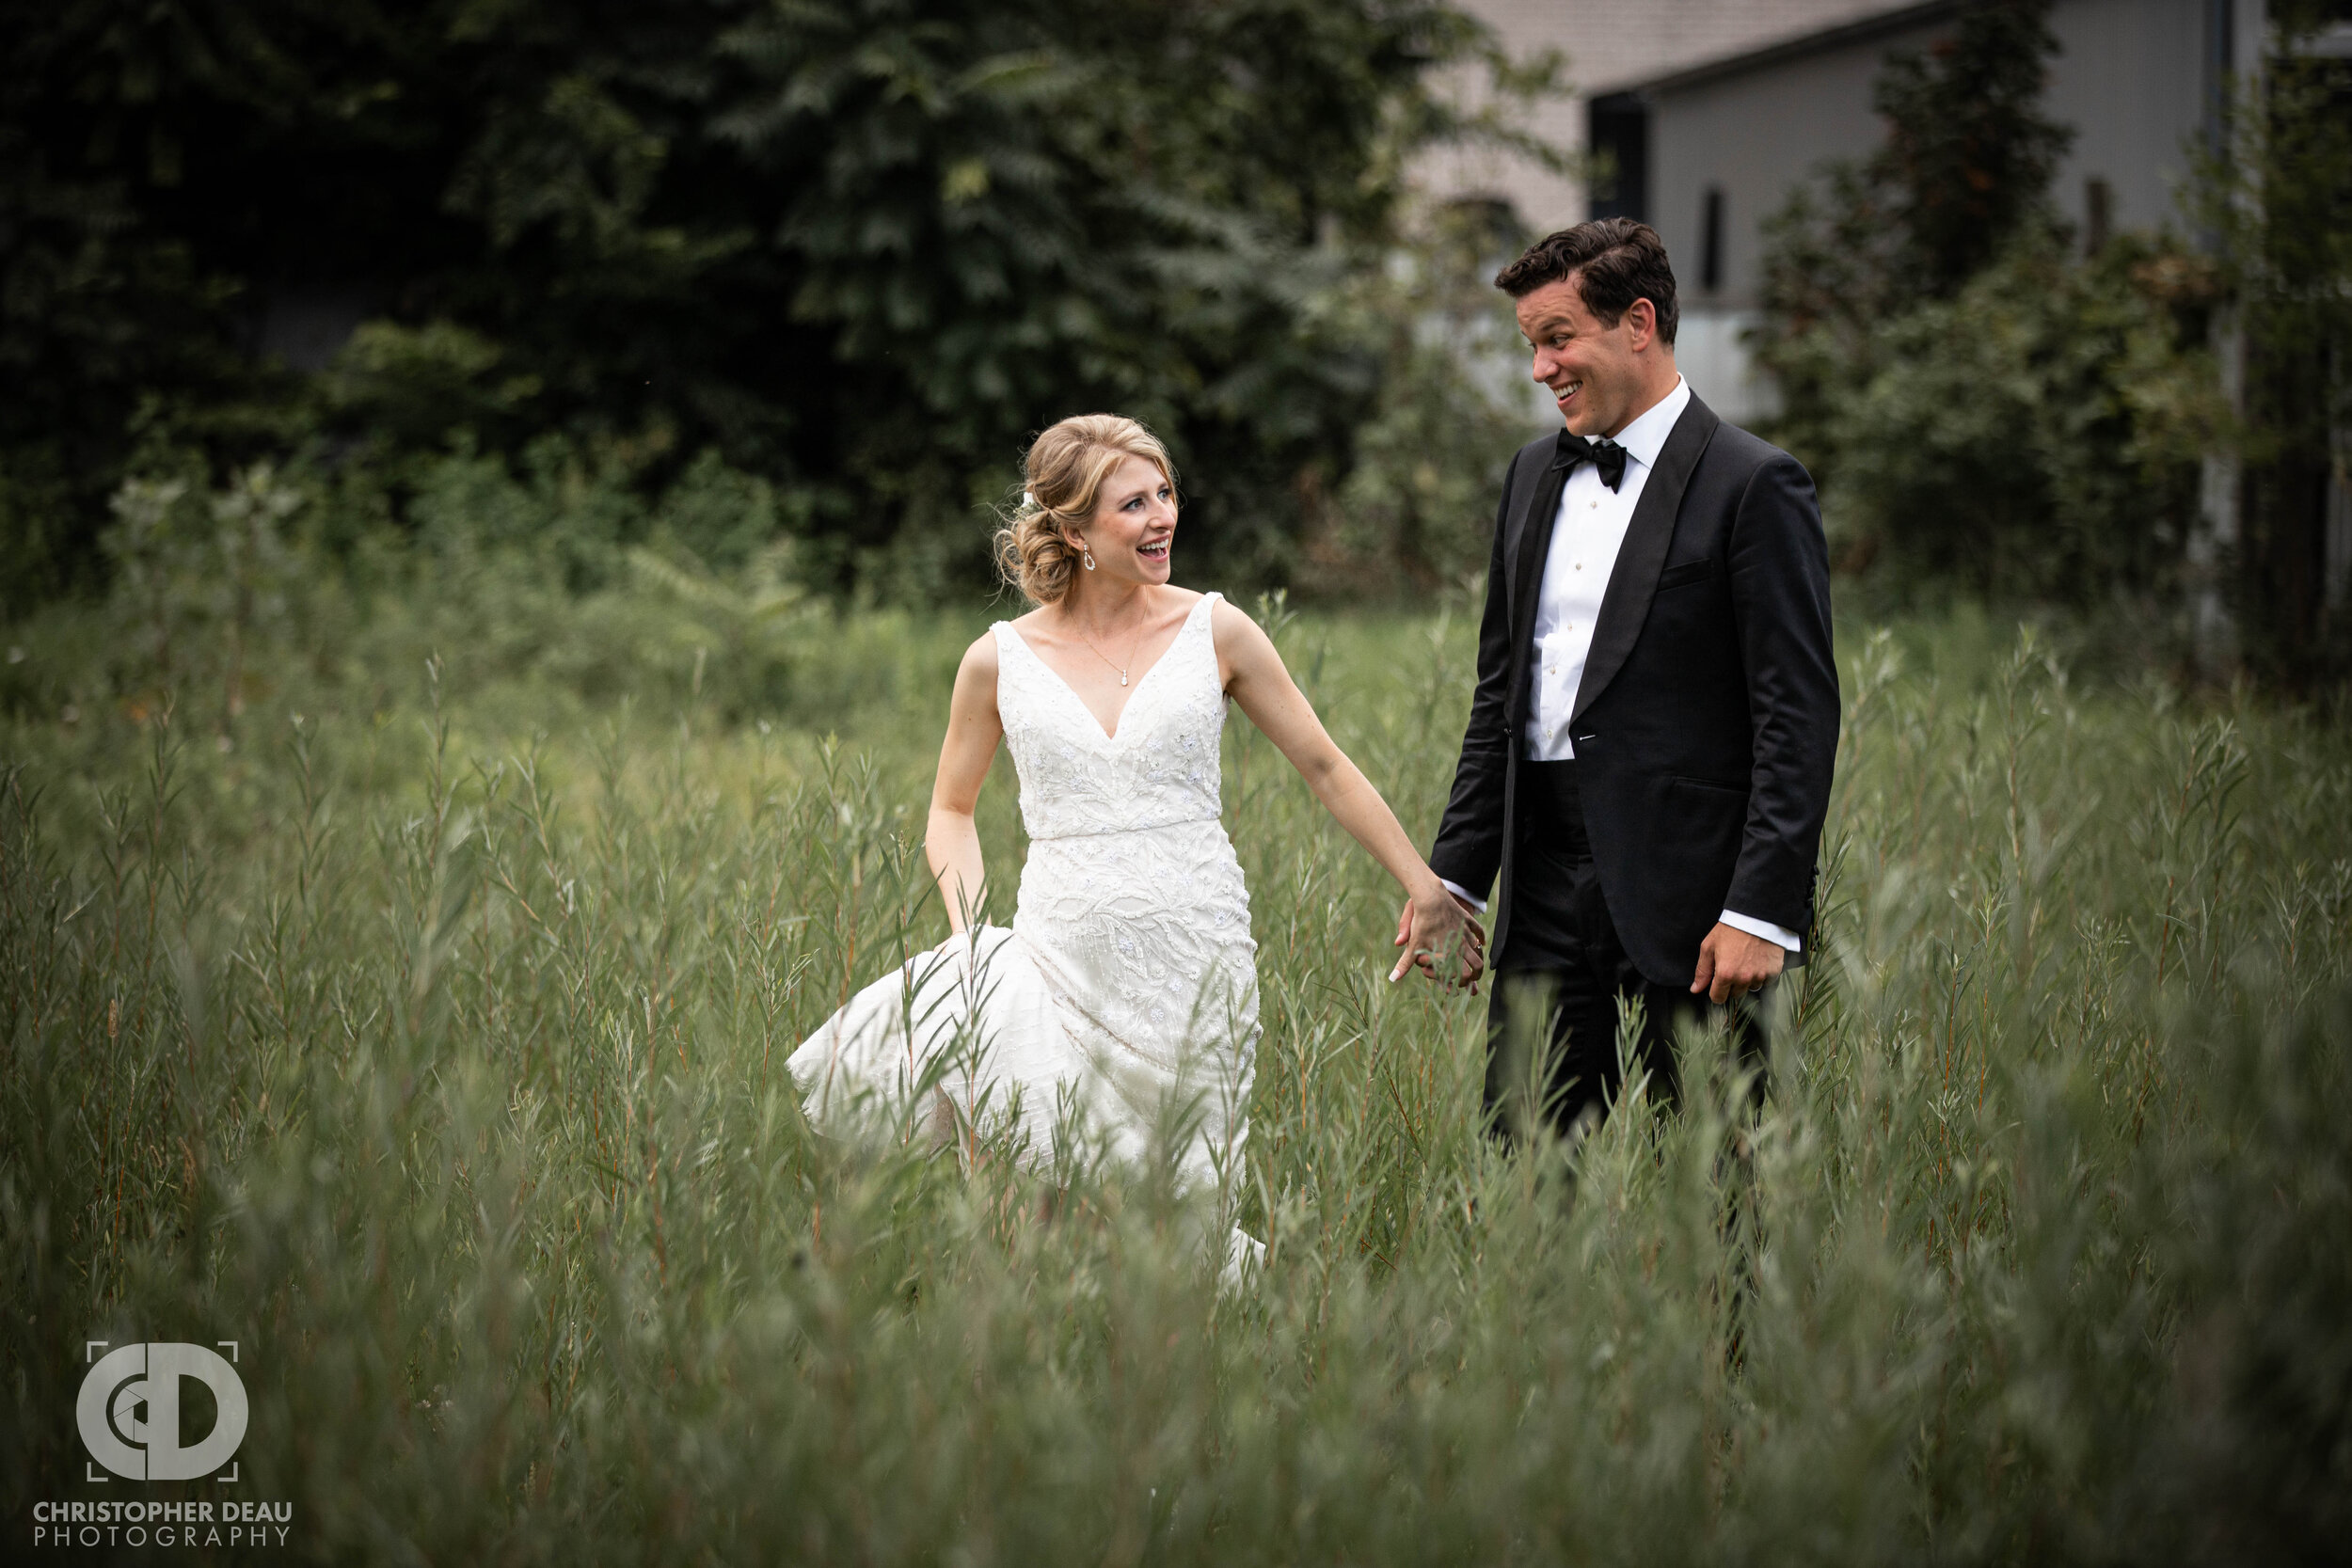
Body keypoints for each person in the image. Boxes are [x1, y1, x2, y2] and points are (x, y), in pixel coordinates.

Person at [787, 414, 1482, 1263]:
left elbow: (1326, 766)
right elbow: (950, 808)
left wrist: (1424, 886)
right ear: (1074, 530)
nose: (1163, 517)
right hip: (1055, 963)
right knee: (1032, 1206)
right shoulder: (997, 659)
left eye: (1165, 494)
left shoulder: (1217, 630)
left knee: (1181, 1216)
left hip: (1197, 960)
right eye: (1133, 504)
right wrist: (972, 940)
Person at [1413, 218, 1838, 1137]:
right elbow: (1502, 699)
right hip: (1541, 894)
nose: (1540, 369)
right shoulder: (1531, 476)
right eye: (1532, 345)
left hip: (1693, 907)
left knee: (1721, 1195)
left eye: (1557, 338)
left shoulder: (1754, 485)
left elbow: (1794, 717)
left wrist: (1761, 910)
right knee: (1528, 1174)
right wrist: (1453, 882)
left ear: (1637, 323)